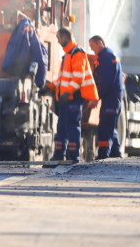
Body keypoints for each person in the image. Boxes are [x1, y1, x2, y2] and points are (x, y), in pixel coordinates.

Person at [40, 28, 99, 162]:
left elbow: (79, 78)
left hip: (74, 98)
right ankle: (59, 155)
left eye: (59, 37)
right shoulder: (67, 55)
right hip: (66, 100)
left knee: (72, 127)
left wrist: (67, 93)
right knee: (61, 128)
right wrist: (48, 87)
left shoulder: (77, 53)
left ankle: (73, 156)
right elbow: (62, 79)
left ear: (66, 37)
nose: (57, 40)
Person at [88, 35, 124, 159]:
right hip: (113, 98)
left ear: (99, 43)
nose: (92, 50)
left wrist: (96, 98)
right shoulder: (107, 55)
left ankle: (103, 155)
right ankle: (116, 154)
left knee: (104, 126)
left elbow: (105, 81)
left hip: (111, 98)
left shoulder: (106, 57)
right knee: (111, 126)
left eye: (93, 46)